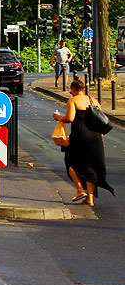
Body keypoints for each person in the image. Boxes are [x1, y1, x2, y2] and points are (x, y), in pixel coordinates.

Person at [53, 78, 115, 206]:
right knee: (90, 166)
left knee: (71, 161)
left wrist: (59, 118)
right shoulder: (94, 101)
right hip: (95, 137)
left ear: (74, 89)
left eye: (71, 90)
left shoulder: (73, 100)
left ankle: (80, 190)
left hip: (80, 135)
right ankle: (90, 199)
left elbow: (70, 118)